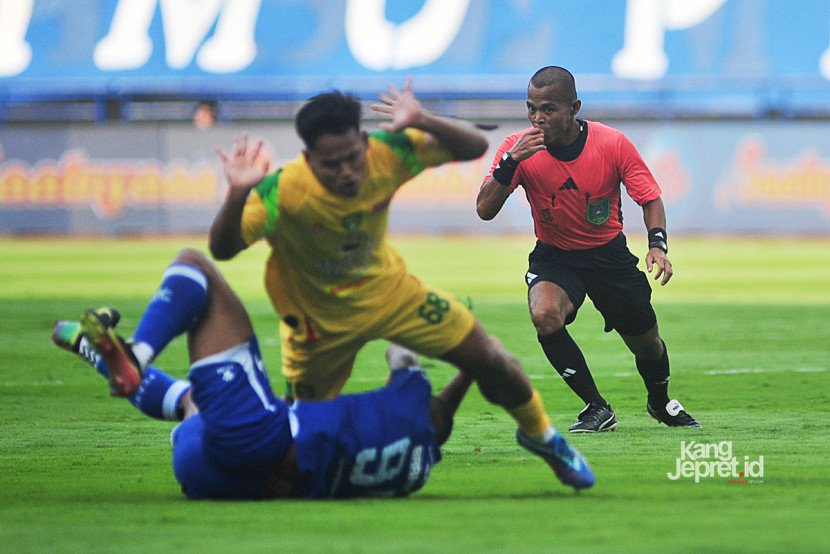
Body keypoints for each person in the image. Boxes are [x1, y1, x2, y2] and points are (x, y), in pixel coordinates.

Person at [208, 78, 594, 488]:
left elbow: (474, 147)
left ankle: (542, 437)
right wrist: (236, 196)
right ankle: (402, 372)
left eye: (352, 158)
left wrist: (423, 119)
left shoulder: (385, 154)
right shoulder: (281, 192)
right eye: (331, 164)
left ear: (363, 140)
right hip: (317, 326)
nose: (347, 172)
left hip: (390, 295)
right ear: (308, 158)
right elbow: (223, 249)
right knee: (302, 447)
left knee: (489, 358)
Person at [52, 248, 477, 499]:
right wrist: (472, 366)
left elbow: (401, 354)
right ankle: (93, 350)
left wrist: (454, 334)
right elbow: (438, 414)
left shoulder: (409, 403)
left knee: (195, 266)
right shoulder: (412, 473)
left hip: (259, 440)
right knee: (191, 403)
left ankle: (135, 355)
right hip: (210, 475)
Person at [476, 66, 700, 433]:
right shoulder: (518, 149)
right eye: (531, 108)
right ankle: (596, 407)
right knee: (545, 314)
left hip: (608, 256)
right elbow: (485, 210)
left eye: (548, 109)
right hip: (555, 256)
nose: (538, 118)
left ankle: (660, 402)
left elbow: (650, 198)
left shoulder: (612, 143)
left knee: (647, 345)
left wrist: (657, 245)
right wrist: (509, 162)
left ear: (573, 107)